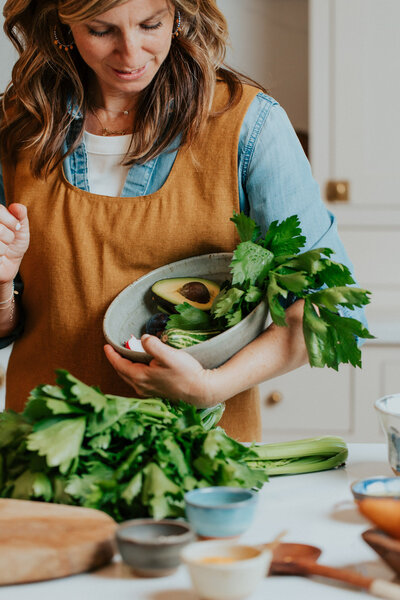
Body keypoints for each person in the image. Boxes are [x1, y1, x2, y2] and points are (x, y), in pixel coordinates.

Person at [0, 0, 365, 442]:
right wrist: (3, 286)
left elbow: (327, 306)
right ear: (63, 20)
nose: (131, 54)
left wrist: (212, 386)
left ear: (180, 14)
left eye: (150, 24)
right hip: (44, 450)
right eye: (101, 30)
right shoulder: (18, 125)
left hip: (200, 464)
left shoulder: (248, 126)